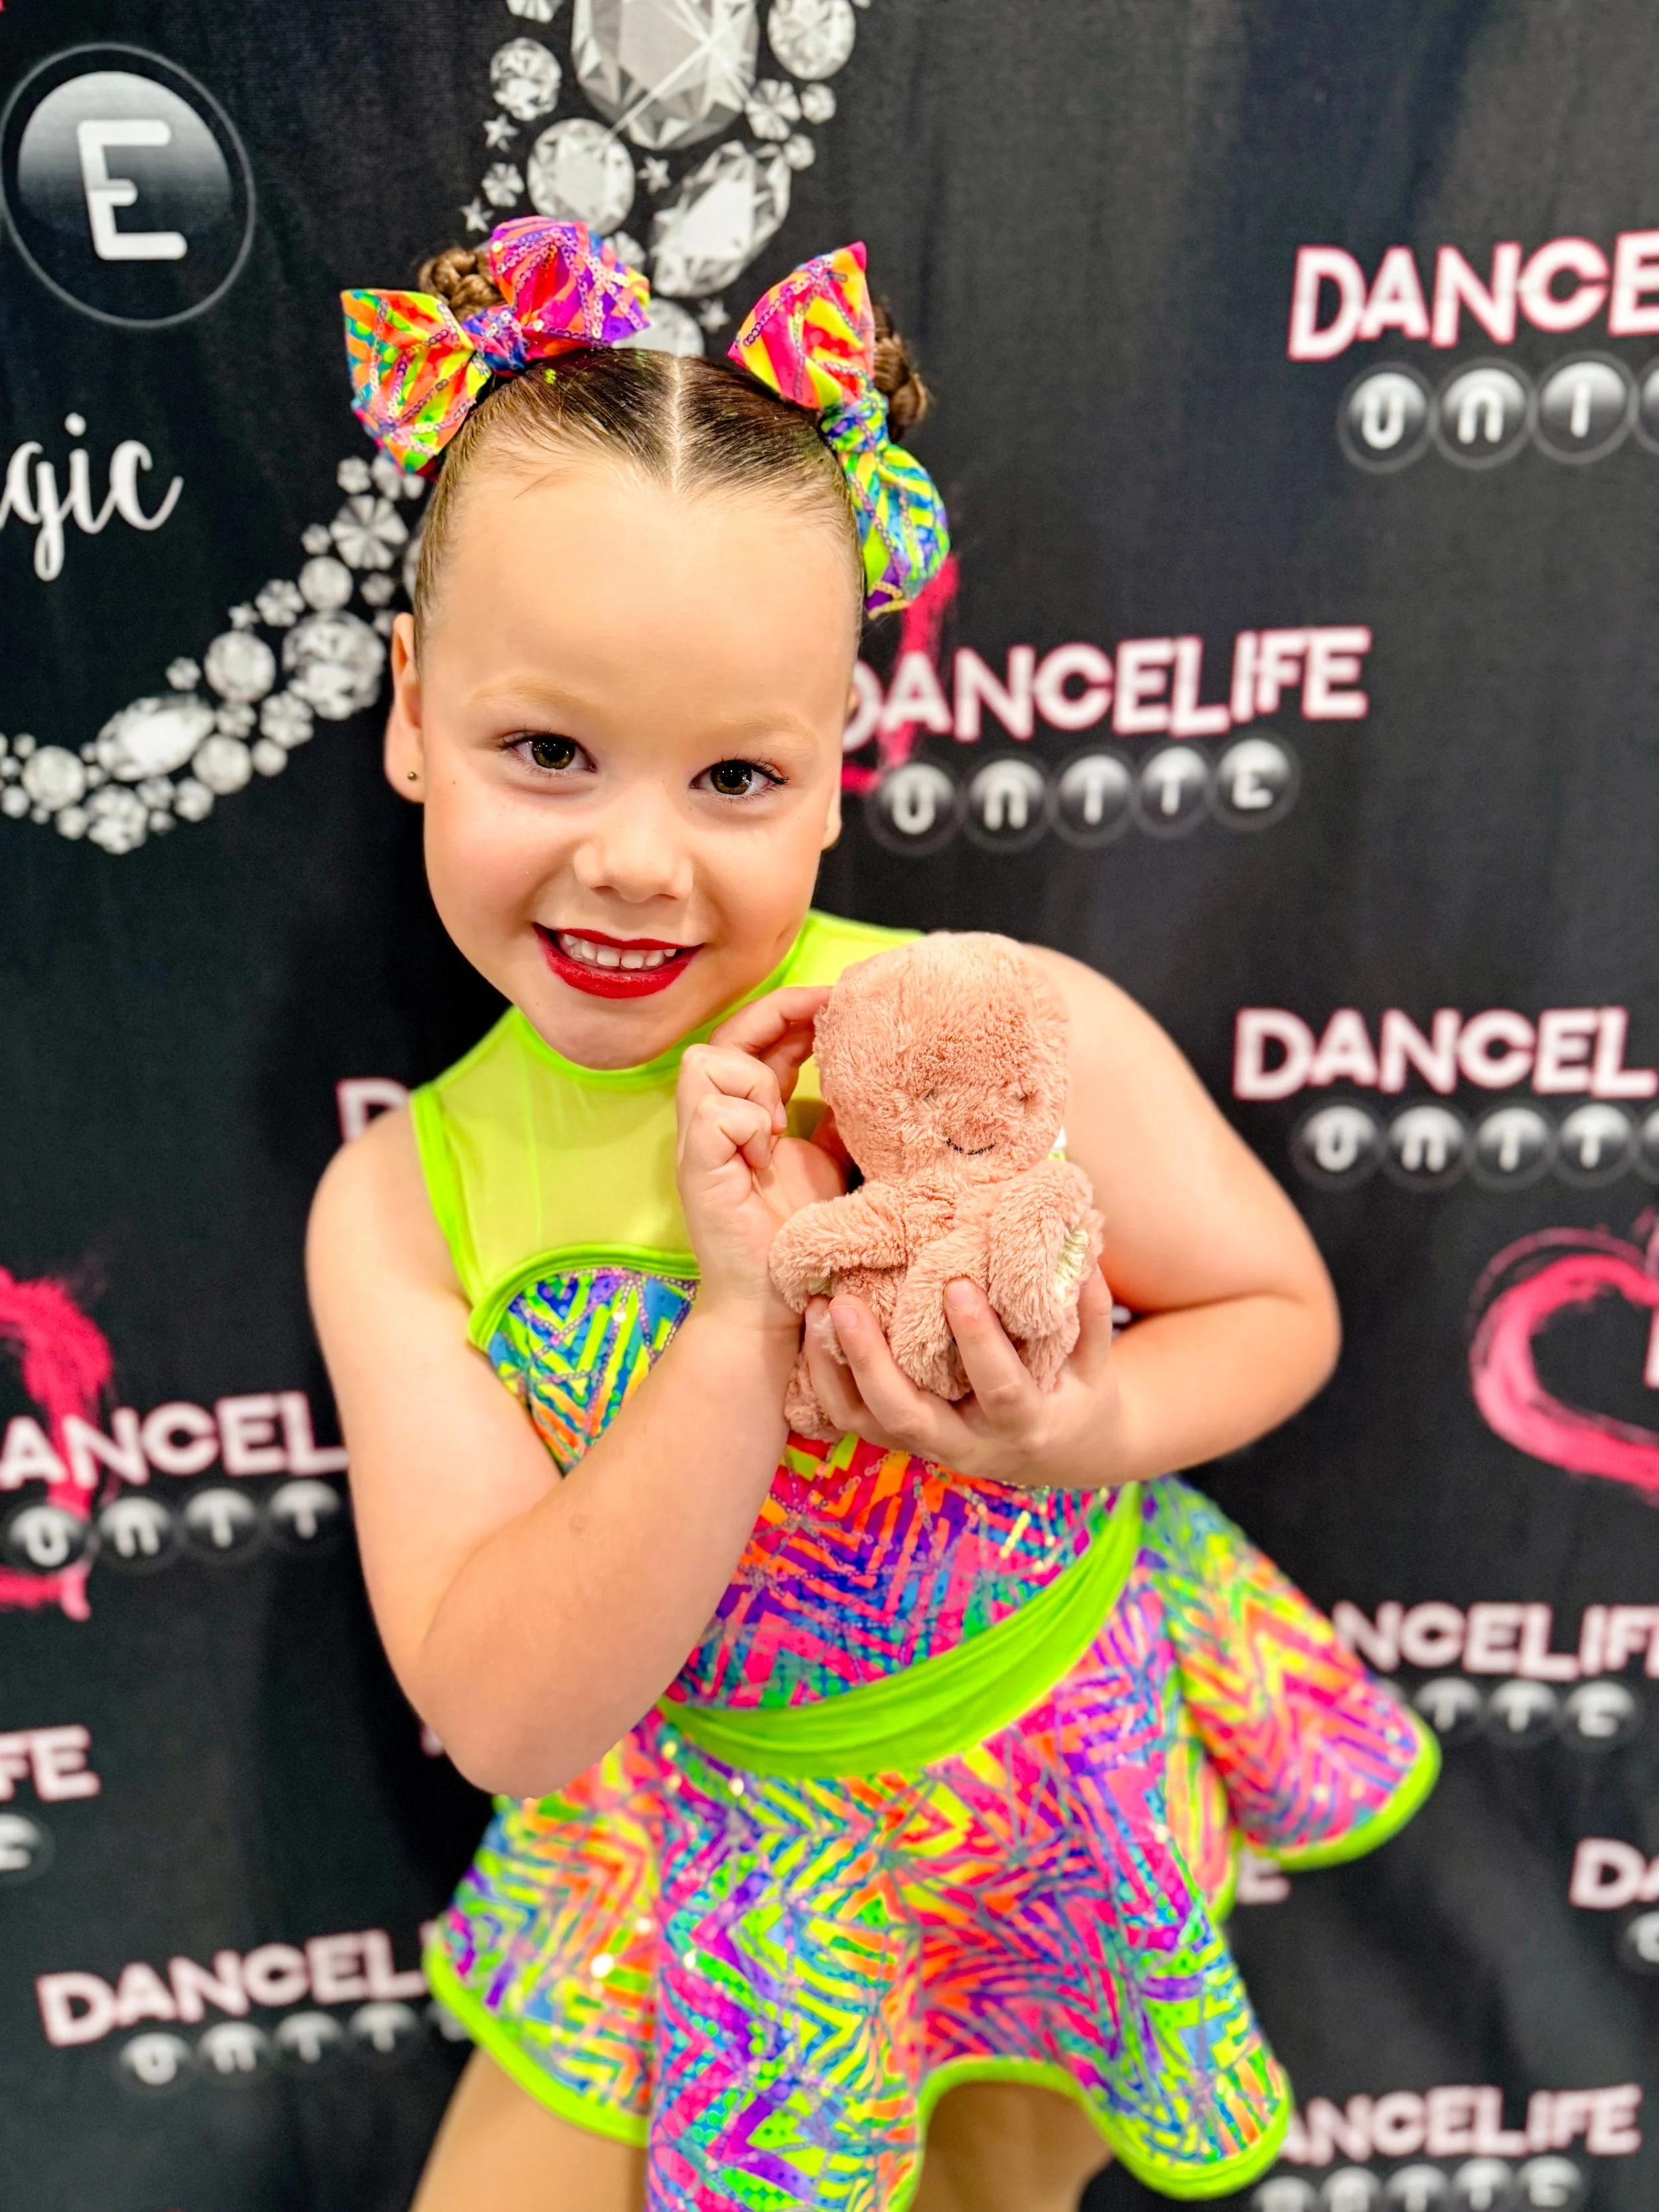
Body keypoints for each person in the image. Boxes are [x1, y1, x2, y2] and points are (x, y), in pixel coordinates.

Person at [309, 219, 1436, 2212]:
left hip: (1035, 1788)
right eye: (545, 750)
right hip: (689, 1838)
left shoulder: (993, 1037)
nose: (636, 859)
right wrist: (740, 1326)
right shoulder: (405, 1207)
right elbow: (502, 1708)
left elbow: (1274, 1310)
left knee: (991, 2181)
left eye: (736, 771)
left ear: (838, 772)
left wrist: (1070, 1427)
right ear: (413, 709)